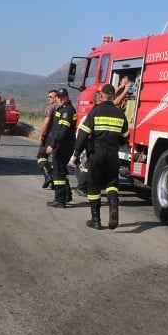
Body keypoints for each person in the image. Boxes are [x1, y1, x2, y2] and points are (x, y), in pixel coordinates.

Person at [72, 84, 129, 230]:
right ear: (114, 96)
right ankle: (114, 208)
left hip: (96, 155)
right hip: (113, 156)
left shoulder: (95, 111)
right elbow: (125, 138)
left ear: (102, 95)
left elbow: (83, 134)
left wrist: (77, 153)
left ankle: (96, 220)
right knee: (112, 184)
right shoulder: (120, 114)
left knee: (93, 185)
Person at [45, 88, 77, 208]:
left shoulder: (67, 110)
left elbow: (62, 131)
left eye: (60, 97)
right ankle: (66, 195)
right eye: (58, 97)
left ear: (65, 97)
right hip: (62, 144)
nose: (58, 99)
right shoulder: (63, 108)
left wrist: (52, 145)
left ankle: (59, 200)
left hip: (63, 145)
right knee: (62, 171)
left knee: (58, 172)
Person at [73, 90, 102, 197]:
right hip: (92, 143)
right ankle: (81, 187)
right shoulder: (97, 111)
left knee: (89, 166)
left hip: (90, 142)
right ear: (99, 99)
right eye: (102, 97)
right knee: (90, 166)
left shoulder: (95, 110)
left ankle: (82, 187)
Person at [37, 89, 58, 188]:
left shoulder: (51, 107)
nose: (48, 98)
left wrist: (41, 134)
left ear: (56, 97)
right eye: (48, 96)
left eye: (50, 96)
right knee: (55, 160)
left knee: (41, 155)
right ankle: (54, 181)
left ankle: (48, 175)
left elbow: (46, 122)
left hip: (49, 136)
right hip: (59, 137)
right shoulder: (63, 108)